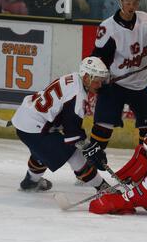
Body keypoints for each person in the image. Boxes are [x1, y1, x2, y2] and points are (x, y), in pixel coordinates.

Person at [87, 0, 147, 169]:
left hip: (140, 85)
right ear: (120, 2)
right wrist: (99, 78)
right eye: (127, 2)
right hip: (114, 85)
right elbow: (98, 57)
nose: (131, 6)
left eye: (135, 2)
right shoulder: (108, 28)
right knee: (102, 127)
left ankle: (145, 165)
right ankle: (91, 164)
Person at [11, 57, 111, 192]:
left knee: (44, 151)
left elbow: (65, 118)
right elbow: (73, 134)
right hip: (34, 127)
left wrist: (88, 146)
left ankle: (30, 182)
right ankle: (103, 188)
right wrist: (90, 149)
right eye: (97, 80)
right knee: (74, 155)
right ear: (86, 77)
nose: (100, 84)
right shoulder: (78, 96)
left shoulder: (73, 77)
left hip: (27, 118)